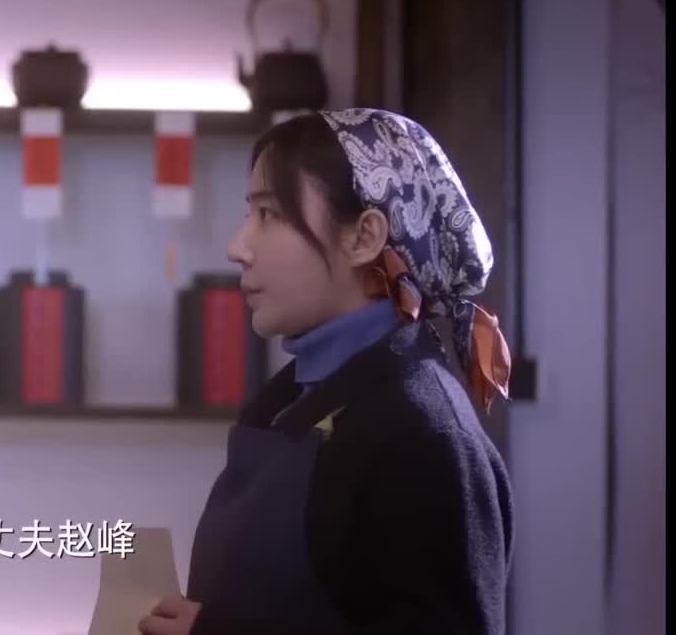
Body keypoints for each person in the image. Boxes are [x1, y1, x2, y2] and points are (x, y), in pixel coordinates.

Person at [139, 109, 515, 634]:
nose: (237, 247)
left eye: (269, 214)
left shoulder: (424, 435)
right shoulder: (289, 400)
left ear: (364, 236)